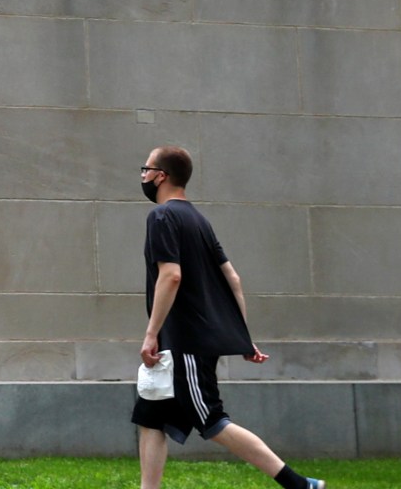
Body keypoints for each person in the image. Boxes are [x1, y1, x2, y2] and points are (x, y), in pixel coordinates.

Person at [133, 146, 324, 489]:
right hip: (184, 343)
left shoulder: (162, 217)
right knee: (151, 417)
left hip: (184, 343)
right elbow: (232, 278)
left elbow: (171, 276)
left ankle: (299, 485)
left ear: (161, 175)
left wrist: (151, 333)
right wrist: (242, 336)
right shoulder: (199, 220)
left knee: (212, 420)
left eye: (145, 169)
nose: (143, 176)